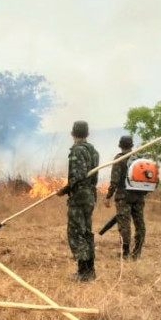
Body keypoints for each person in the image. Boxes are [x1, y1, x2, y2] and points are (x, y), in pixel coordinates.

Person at [57, 120, 100, 281]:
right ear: (87, 134)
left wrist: (65, 190)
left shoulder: (77, 150)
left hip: (79, 196)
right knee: (86, 232)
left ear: (72, 133)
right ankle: (90, 270)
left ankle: (83, 272)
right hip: (90, 195)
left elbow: (78, 176)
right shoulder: (93, 151)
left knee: (75, 232)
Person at [104, 135, 146, 260]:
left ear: (120, 145)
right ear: (132, 145)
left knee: (124, 224)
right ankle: (137, 253)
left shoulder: (119, 159)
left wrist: (108, 196)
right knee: (140, 223)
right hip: (139, 196)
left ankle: (125, 253)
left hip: (124, 196)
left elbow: (115, 180)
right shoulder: (139, 158)